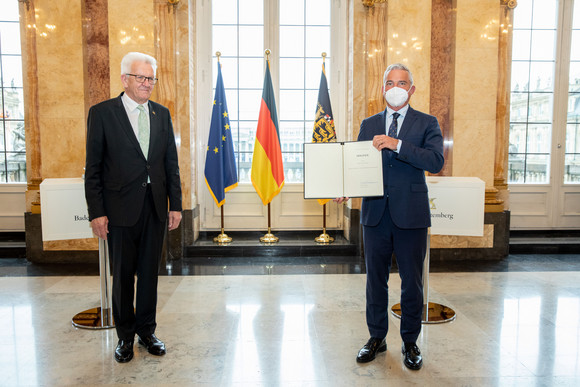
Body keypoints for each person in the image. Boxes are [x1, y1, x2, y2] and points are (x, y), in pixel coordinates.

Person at [335, 63, 444, 369]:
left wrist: (397, 144)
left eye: (403, 82)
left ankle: (410, 342)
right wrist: (345, 187)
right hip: (375, 215)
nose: (396, 87)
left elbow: (435, 161)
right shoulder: (369, 123)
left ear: (411, 89)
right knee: (375, 281)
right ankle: (376, 337)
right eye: (390, 82)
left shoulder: (427, 123)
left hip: (411, 215)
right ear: (383, 88)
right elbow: (358, 163)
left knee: (412, 282)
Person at [84, 52, 182, 363]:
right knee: (123, 275)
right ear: (125, 79)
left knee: (150, 274)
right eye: (140, 77)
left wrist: (175, 205)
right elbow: (94, 168)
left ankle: (147, 331)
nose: (147, 84)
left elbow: (170, 165)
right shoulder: (102, 114)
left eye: (151, 78)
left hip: (154, 209)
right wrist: (97, 212)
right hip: (119, 211)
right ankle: (125, 337)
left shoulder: (161, 114)